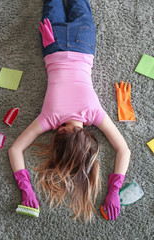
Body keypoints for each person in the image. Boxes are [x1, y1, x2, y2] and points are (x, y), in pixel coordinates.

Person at [8, 0, 131, 222]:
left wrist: (115, 190)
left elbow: (124, 150)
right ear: (59, 135)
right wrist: (25, 188)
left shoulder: (93, 113)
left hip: (83, 41)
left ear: (87, 140)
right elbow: (15, 149)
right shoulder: (50, 117)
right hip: (52, 43)